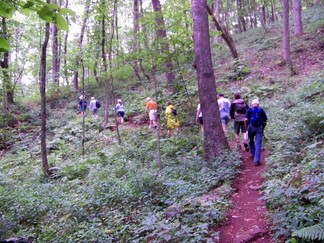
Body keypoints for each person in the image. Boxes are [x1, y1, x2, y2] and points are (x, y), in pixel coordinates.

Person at [245, 99, 268, 166]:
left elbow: (246, 120)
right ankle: (256, 160)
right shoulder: (261, 110)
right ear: (258, 104)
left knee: (251, 140)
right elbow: (265, 120)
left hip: (251, 127)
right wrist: (263, 127)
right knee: (258, 144)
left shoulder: (249, 110)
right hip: (259, 128)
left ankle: (253, 154)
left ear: (252, 104)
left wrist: (246, 127)